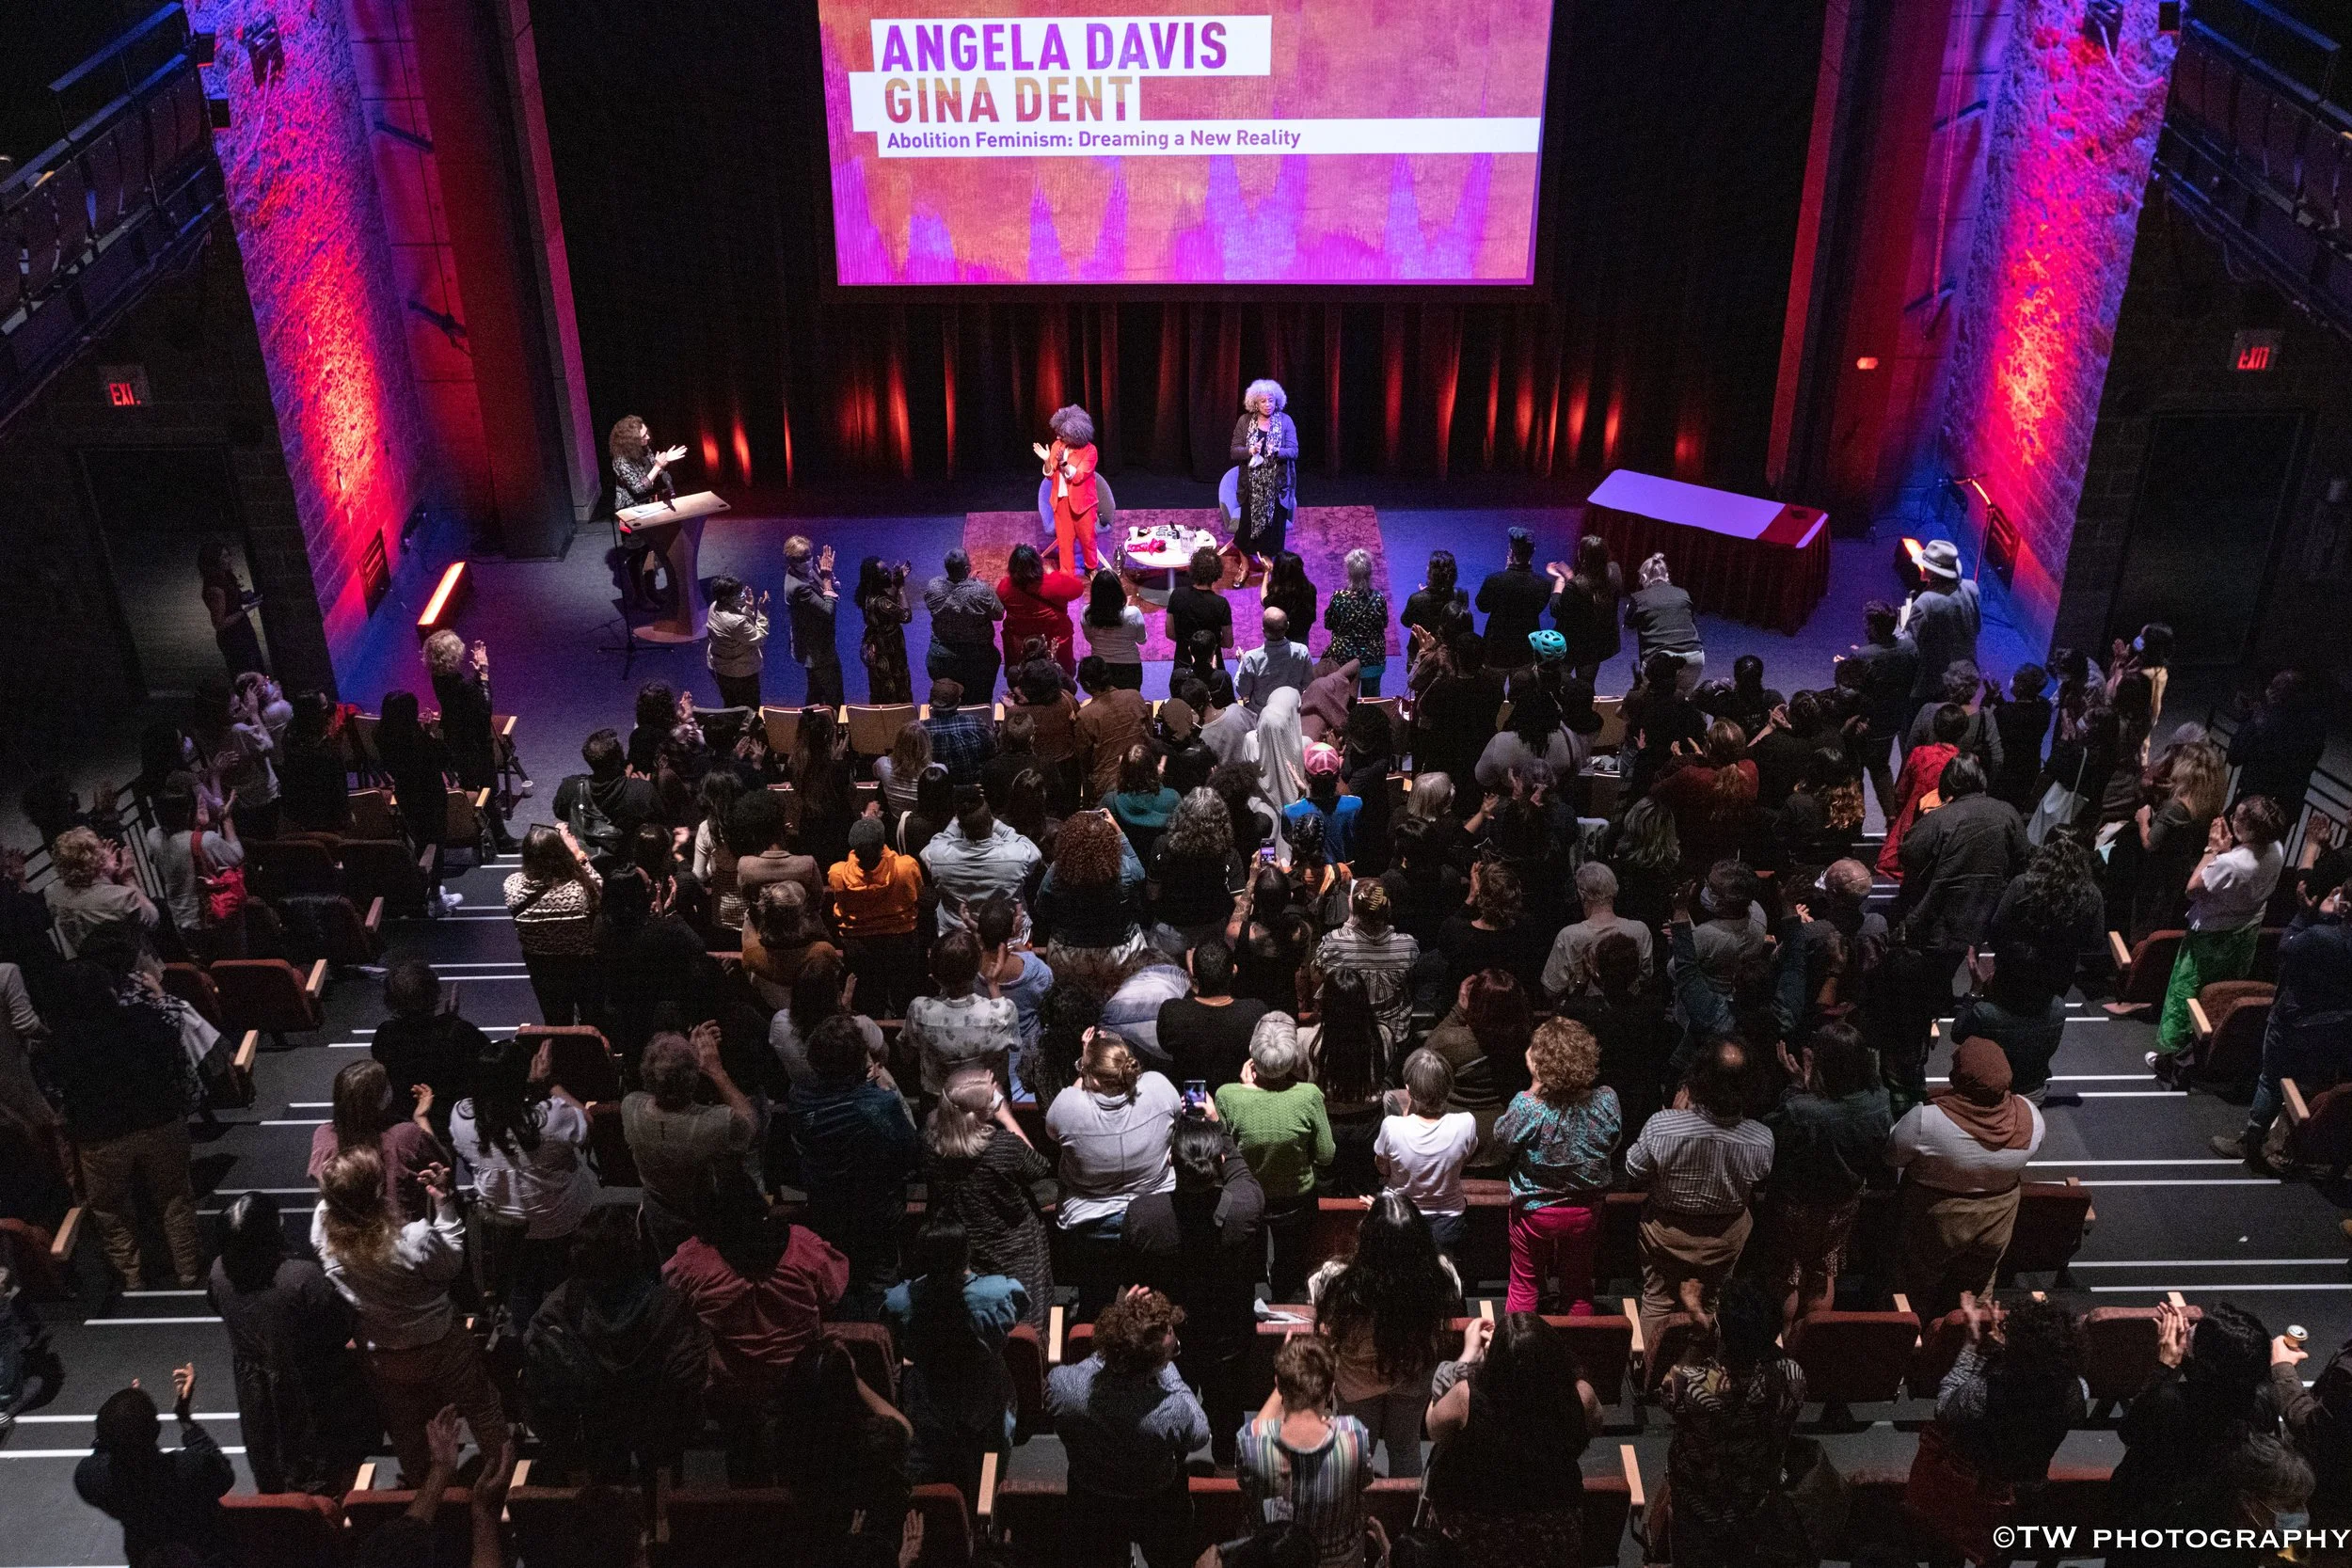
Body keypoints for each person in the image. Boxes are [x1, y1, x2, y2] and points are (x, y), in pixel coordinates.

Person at [315, 1147, 510, 1482]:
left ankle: (424, 1490)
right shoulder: (412, 1240)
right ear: (379, 1193)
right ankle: (498, 1477)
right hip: (440, 1341)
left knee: (404, 1425)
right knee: (481, 1405)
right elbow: (450, 1263)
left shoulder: (323, 1236)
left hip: (382, 1350)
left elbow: (328, 1209)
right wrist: (444, 1203)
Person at [661, 1170, 850, 1482]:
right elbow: (833, 1293)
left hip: (732, 1387)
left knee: (744, 1457)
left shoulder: (691, 1263)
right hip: (800, 1377)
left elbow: (672, 1302)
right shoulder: (803, 1245)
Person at [44, 958, 205, 1289]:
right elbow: (174, 1041)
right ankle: (187, 1271)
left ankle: (132, 1278)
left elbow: (55, 1094)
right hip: (160, 1122)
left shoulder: (58, 1044)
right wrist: (160, 997)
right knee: (174, 1198)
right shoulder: (144, 1020)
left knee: (110, 1209)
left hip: (100, 1138)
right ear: (109, 990)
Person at [521, 1204, 708, 1484]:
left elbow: (538, 1356)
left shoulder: (560, 1309)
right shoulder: (669, 1306)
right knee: (659, 1480)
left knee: (609, 1484)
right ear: (634, 1252)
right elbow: (689, 1374)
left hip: (595, 1420)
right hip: (657, 1418)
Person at [208, 1192, 374, 1496]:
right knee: (319, 1471)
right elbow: (338, 1329)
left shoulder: (219, 1272)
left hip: (254, 1387)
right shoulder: (301, 1278)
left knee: (267, 1458)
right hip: (311, 1388)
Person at [1902, 1294, 2088, 1568]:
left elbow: (1945, 1406)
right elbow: (2034, 1384)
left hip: (1966, 1489)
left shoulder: (1986, 1391)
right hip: (2023, 1495)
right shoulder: (2077, 1391)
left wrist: (1974, 1348)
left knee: (1946, 1547)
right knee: (1997, 1556)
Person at [1047, 1286, 1213, 1568]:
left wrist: (1123, 1327)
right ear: (1157, 1361)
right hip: (1155, 1502)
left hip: (1091, 1500)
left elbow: (1097, 1365)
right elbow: (1200, 1434)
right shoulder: (1171, 1410)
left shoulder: (1062, 1386)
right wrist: (1167, 1366)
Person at [1622, 1040, 1773, 1350]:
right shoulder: (1762, 1138)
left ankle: (1653, 1376)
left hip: (1665, 1235)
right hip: (1724, 1239)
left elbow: (1633, 1170)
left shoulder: (1662, 1126)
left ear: (1699, 1080)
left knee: (1658, 1300)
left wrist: (1674, 1119)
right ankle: (1706, 1366)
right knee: (1714, 1300)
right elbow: (1759, 1178)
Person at [1655, 1276, 1811, 1568]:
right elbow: (1750, 1355)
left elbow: (1669, 1392)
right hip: (1755, 1502)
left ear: (1723, 1332)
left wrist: (1699, 1334)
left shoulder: (1696, 1387)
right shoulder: (1792, 1377)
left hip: (1698, 1506)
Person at [449, 1035, 601, 1327]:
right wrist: (549, 1084)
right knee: (563, 1286)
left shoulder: (461, 1118)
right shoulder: (549, 1119)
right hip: (559, 1219)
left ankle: (522, 1344)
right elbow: (587, 1122)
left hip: (503, 1224)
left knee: (520, 1290)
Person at [1888, 1036, 2045, 1318]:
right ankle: (1966, 1344)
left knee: (1916, 1287)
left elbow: (1892, 1157)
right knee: (1976, 1291)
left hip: (1936, 1223)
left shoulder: (1927, 1121)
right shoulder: (2032, 1118)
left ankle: (1916, 1345)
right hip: (1997, 1222)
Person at [1308, 1193, 1458, 1480]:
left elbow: (1317, 1293)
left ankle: (1356, 1517)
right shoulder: (1440, 1276)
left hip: (1355, 1384)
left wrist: (1383, 1221)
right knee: (1405, 1449)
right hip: (1411, 1375)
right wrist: (1394, 1223)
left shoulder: (1335, 1279)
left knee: (1355, 1453)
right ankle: (1404, 1519)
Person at [1423, 1314, 1596, 1566]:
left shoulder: (1466, 1398)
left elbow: (1432, 1427)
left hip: (1475, 1528)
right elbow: (1592, 1427)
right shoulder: (1582, 1396)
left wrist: (1468, 1358)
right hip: (1553, 1530)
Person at [2215, 857, 2352, 1167]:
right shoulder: (2330, 933)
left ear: (2345, 905)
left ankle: (2251, 1143)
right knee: (2311, 1085)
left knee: (2271, 1080)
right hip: (2339, 1026)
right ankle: (2287, 1148)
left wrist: (2305, 916)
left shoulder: (2319, 935)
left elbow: (2288, 947)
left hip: (2295, 1020)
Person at [787, 1014, 921, 1319]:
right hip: (876, 1214)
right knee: (879, 1288)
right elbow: (909, 1150)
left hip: (826, 1211)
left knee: (838, 1285)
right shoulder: (877, 1104)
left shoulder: (799, 1098)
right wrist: (885, 1089)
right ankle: (881, 1348)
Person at [1757, 1023, 1890, 1330]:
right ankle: (1811, 1343)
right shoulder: (1879, 1101)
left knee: (1787, 1273)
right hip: (1842, 1206)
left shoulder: (1803, 1110)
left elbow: (1772, 1134)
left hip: (1796, 1206)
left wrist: (1796, 1089)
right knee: (1822, 1273)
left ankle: (1785, 1351)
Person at [882, 1221, 1028, 1499]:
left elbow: (891, 1323)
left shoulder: (900, 1300)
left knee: (935, 1466)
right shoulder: (999, 1292)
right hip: (985, 1398)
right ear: (966, 1254)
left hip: (929, 1397)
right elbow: (1020, 1308)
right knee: (988, 1464)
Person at [1048, 1030, 1183, 1317]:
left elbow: (1056, 1127)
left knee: (1097, 1306)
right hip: (1154, 1215)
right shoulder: (1158, 1087)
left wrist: (1086, 1060)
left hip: (1091, 1222)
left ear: (1091, 1076)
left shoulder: (1068, 1105)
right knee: (1155, 1304)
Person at [2153, 794, 2288, 1070]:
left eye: (2237, 817)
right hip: (2245, 930)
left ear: (2247, 827)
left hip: (2212, 935)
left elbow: (2192, 889)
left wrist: (2212, 851)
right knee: (2223, 992)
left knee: (2188, 994)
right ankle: (2209, 1051)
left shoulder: (2231, 862)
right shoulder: (2277, 848)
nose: (2232, 819)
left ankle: (2174, 1058)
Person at [1216, 1012, 1334, 1303]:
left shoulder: (1228, 1095)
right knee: (1290, 1269)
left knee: (1244, 1269)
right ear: (1293, 1058)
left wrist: (1244, 1092)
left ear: (1252, 1055)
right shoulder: (1309, 1095)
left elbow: (1224, 1152)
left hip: (1245, 1198)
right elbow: (1326, 1155)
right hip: (1296, 1198)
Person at [924, 1069, 1057, 1328]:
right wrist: (1006, 1117)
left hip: (966, 1242)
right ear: (982, 1113)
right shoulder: (1003, 1146)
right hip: (1018, 1246)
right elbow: (1038, 1167)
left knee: (976, 1317)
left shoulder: (931, 1146)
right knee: (1026, 1323)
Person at [1237, 1336, 1375, 1568]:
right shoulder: (1354, 1435)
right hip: (1338, 1559)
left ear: (1279, 1385)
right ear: (1331, 1390)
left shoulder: (1251, 1440)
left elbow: (1256, 1438)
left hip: (1274, 1557)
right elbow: (1363, 1482)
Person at [75, 1365, 234, 1567]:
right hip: (201, 1556)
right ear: (156, 1429)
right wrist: (184, 1416)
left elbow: (103, 1450)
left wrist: (122, 1422)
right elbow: (223, 1473)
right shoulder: (190, 1469)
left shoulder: (91, 1478)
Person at [623, 1027, 756, 1255]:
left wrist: (683, 1058)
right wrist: (716, 1071)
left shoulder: (630, 1106)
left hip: (658, 1212)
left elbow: (665, 1084)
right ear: (694, 1077)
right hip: (703, 1215)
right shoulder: (715, 1124)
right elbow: (750, 1123)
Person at [1376, 1051, 1480, 1264]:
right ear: (1448, 1088)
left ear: (1409, 1090)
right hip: (1448, 1221)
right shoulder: (1466, 1123)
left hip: (1399, 1219)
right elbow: (1465, 1159)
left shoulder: (1393, 1127)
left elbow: (1382, 1168)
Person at [306, 1057, 441, 1220]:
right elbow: (439, 1163)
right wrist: (421, 1118)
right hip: (397, 1234)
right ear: (381, 1098)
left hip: (341, 1235)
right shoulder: (404, 1135)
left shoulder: (324, 1136)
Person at [370, 962, 490, 1142]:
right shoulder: (460, 1032)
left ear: (391, 1001)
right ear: (435, 994)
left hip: (404, 1118)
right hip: (453, 1118)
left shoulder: (386, 1034)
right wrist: (451, 1021)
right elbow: (486, 1060)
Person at [423, 628, 516, 853]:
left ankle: (476, 832)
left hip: (456, 739)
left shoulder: (439, 678)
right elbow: (484, 708)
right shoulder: (463, 686)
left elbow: (465, 701)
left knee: (469, 785)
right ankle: (501, 838)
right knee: (489, 789)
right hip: (476, 744)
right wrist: (483, 675)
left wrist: (475, 680)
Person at [829, 814, 927, 1016]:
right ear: (883, 843)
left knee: (869, 1001)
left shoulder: (837, 873)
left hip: (859, 945)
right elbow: (919, 894)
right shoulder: (905, 866)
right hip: (902, 940)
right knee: (904, 997)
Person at [505, 824, 602, 1025]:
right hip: (581, 964)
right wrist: (578, 854)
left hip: (541, 966)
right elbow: (599, 888)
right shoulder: (579, 891)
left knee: (556, 1021)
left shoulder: (512, 887)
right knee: (592, 1018)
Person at [907, 928, 1022, 1093]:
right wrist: (993, 985)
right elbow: (1015, 1045)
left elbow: (907, 1054)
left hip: (939, 1104)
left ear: (934, 973)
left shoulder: (919, 1010)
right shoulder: (1003, 1011)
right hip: (990, 1103)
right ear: (976, 968)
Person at [922, 786, 1043, 933]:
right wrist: (997, 824)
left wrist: (957, 820)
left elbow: (931, 848)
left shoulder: (938, 856)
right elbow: (1034, 852)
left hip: (957, 938)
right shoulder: (1016, 855)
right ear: (989, 821)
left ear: (961, 825)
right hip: (1008, 936)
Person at [145, 785, 245, 961]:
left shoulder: (153, 837)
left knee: (205, 967)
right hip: (212, 918)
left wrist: (199, 826)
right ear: (188, 812)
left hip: (182, 920)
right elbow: (236, 856)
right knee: (233, 964)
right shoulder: (206, 840)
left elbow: (160, 856)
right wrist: (226, 819)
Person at [40, 827, 157, 961]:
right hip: (130, 966)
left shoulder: (52, 892)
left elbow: (92, 891)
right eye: (100, 849)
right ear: (95, 859)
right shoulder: (122, 897)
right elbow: (152, 919)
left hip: (91, 971)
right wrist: (127, 878)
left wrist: (106, 874)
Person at [553, 727, 659, 877]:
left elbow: (560, 812)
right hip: (627, 871)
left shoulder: (570, 787)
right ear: (620, 758)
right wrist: (642, 787)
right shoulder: (642, 790)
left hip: (583, 868)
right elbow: (660, 822)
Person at [1541, 863, 1653, 1002]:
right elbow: (1646, 980)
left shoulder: (1569, 936)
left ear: (1581, 895)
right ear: (1615, 890)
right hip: (1627, 1015)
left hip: (1581, 1018)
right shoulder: (1640, 930)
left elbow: (1551, 990)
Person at [2228, 667, 2328, 812]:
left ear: (2276, 696)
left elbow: (2234, 755)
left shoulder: (2266, 723)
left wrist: (2253, 717)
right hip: (2288, 805)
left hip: (2257, 801)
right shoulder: (2314, 727)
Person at [1232, 379, 1300, 571]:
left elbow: (1294, 451)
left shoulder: (1285, 421)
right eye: (1263, 401)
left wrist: (1277, 450)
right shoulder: (1244, 421)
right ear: (1255, 402)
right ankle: (1245, 566)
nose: (1268, 405)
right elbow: (1234, 451)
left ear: (1277, 401)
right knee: (1245, 533)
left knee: (1273, 534)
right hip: (1251, 488)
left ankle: (1268, 568)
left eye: (1271, 400)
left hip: (1276, 488)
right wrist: (1250, 450)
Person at [925, 547, 1008, 699]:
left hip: (942, 655)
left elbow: (956, 598)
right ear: (967, 569)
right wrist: (975, 585)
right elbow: (998, 614)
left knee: (947, 699)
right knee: (980, 699)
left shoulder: (933, 586)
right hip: (978, 657)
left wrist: (969, 583)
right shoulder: (981, 590)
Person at [1000, 541, 1089, 678]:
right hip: (1054, 640)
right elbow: (1078, 589)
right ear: (1038, 564)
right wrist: (1054, 574)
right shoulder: (1054, 583)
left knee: (1024, 679)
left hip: (1021, 642)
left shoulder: (1005, 587)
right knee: (1059, 678)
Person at [1071, 655, 1148, 801]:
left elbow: (1083, 761)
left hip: (1109, 787)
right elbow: (1148, 736)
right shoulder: (1135, 696)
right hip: (1143, 772)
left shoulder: (1085, 716)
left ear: (1086, 683)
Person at [1549, 533, 1623, 687]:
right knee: (1586, 685)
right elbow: (1591, 588)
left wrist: (1560, 581)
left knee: (1558, 681)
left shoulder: (1574, 587)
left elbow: (1556, 610)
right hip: (1597, 643)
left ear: (1582, 557)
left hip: (1572, 644)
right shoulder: (1615, 571)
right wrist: (1570, 576)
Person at [1623, 553, 1704, 691]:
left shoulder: (1638, 599)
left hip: (1660, 661)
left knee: (1649, 703)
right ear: (1666, 576)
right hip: (1695, 656)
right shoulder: (1683, 593)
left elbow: (1627, 631)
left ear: (1643, 577)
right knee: (1682, 701)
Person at [1039, 404, 1104, 572]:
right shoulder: (1056, 446)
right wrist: (1047, 460)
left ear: (1075, 434)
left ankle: (1091, 568)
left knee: (1088, 540)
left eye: (1063, 434)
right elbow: (1050, 475)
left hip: (1083, 505)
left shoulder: (1090, 451)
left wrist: (1063, 463)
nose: (1058, 436)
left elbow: (1078, 477)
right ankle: (1067, 576)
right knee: (1064, 543)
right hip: (1061, 503)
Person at [1474, 528, 1550, 673]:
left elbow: (1482, 606)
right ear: (1532, 551)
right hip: (1526, 650)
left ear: (1510, 552)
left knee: (1493, 692)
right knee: (1523, 692)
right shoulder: (1543, 584)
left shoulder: (1494, 580)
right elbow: (1538, 608)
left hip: (1496, 650)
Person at [781, 535, 844, 707]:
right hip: (816, 651)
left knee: (816, 690)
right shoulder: (798, 587)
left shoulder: (804, 572)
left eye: (809, 556)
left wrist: (828, 580)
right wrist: (827, 581)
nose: (808, 561)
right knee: (834, 695)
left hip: (819, 644)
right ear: (791, 561)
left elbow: (826, 591)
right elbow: (827, 611)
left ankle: (810, 725)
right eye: (802, 559)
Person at [199, 539, 267, 676]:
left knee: (256, 668)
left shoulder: (226, 577)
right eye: (224, 557)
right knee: (247, 673)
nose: (229, 559)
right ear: (214, 561)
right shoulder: (215, 588)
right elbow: (219, 624)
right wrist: (245, 610)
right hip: (233, 637)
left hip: (242, 630)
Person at [1105, 743, 1182, 863]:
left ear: (1122, 771)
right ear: (1154, 768)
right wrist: (1157, 781)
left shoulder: (1111, 802)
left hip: (1127, 867)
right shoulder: (1172, 798)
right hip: (1160, 867)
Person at [704, 575, 770, 709]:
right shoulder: (735, 622)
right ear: (725, 597)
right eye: (738, 593)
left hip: (720, 668)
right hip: (740, 672)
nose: (742, 595)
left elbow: (739, 630)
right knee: (749, 709)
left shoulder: (714, 606)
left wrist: (748, 608)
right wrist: (762, 613)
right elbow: (760, 638)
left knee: (730, 705)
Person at [855, 556, 915, 704]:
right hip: (888, 650)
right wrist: (900, 587)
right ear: (875, 579)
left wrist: (894, 582)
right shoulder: (881, 603)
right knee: (894, 688)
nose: (888, 573)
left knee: (880, 689)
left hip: (877, 647)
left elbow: (889, 603)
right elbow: (906, 616)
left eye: (887, 569)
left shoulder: (868, 595)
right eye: (883, 573)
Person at [1169, 546, 1236, 673]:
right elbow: (1228, 643)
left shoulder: (1177, 595)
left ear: (1193, 569)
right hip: (1212, 665)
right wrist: (1209, 644)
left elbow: (1170, 633)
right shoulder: (1221, 604)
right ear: (1217, 573)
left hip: (1183, 665)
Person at [1238, 607, 1315, 714]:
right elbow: (1308, 683)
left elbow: (1242, 689)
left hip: (1262, 713)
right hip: (1292, 711)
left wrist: (1243, 662)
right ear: (1287, 626)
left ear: (1263, 631)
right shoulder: (1302, 651)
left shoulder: (1251, 658)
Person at [1078, 567, 1147, 688]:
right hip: (1129, 670)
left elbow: (1090, 639)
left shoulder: (1086, 613)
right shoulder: (1133, 613)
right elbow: (1142, 640)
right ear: (1119, 590)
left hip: (1099, 669)